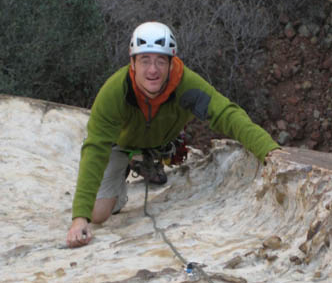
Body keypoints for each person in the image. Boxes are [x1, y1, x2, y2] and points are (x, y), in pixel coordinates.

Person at [66, 21, 280, 248]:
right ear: (132, 63)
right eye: (145, 60)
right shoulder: (115, 92)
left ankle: (147, 159)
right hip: (120, 145)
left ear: (171, 63)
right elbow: (96, 148)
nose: (152, 70)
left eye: (160, 61)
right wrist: (80, 218)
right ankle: (131, 162)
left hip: (162, 141)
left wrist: (268, 149)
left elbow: (226, 114)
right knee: (98, 214)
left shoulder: (185, 83)